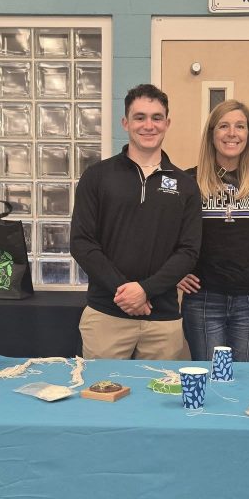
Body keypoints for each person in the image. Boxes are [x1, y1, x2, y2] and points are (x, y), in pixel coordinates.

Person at [71, 84, 202, 359]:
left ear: (167, 123)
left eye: (156, 117)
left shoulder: (186, 185)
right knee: (101, 398)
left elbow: (188, 251)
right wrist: (126, 293)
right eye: (140, 117)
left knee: (159, 400)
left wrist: (145, 290)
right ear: (125, 122)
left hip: (162, 319)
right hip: (106, 315)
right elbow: (82, 243)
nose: (148, 125)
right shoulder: (97, 176)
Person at [177, 100, 249, 363]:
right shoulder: (189, 180)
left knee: (242, 378)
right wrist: (175, 272)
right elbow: (162, 231)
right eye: (224, 126)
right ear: (211, 134)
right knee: (211, 379)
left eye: (240, 126)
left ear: (248, 134)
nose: (232, 133)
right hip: (204, 299)